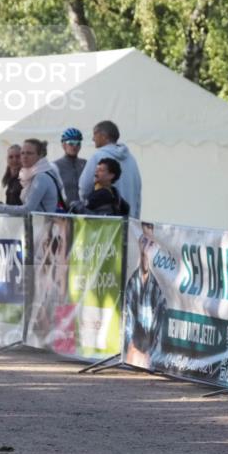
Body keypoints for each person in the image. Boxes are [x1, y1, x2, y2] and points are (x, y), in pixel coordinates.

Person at [78, 120, 141, 219]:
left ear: (104, 136)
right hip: (129, 221)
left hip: (105, 223)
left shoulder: (97, 156)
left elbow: (84, 187)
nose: (93, 139)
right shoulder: (131, 159)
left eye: (95, 134)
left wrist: (87, 207)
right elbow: (137, 192)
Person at [123, 223, 166, 369]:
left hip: (150, 357)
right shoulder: (132, 282)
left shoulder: (159, 287)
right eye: (143, 241)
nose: (146, 247)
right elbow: (127, 322)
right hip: (132, 353)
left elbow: (159, 330)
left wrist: (149, 354)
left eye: (151, 243)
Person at [0, 138, 63, 215]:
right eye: (22, 153)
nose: (25, 156)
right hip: (35, 225)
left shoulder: (41, 177)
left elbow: (28, 209)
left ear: (39, 156)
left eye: (29, 153)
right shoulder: (30, 175)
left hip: (43, 225)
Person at [53, 127, 86, 206]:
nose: (75, 146)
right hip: (65, 211)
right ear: (64, 145)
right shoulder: (55, 165)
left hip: (84, 211)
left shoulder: (85, 164)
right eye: (71, 143)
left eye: (78, 143)